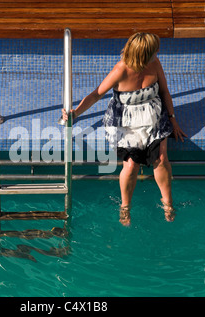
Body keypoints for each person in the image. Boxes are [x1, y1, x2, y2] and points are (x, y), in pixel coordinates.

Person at [61, 32, 187, 225]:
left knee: (161, 159)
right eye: (154, 49)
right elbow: (96, 94)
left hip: (154, 116)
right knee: (131, 165)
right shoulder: (121, 69)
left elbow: (164, 91)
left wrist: (173, 119)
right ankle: (125, 207)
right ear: (143, 53)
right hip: (125, 121)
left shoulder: (155, 63)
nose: (158, 52)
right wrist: (75, 113)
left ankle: (168, 203)